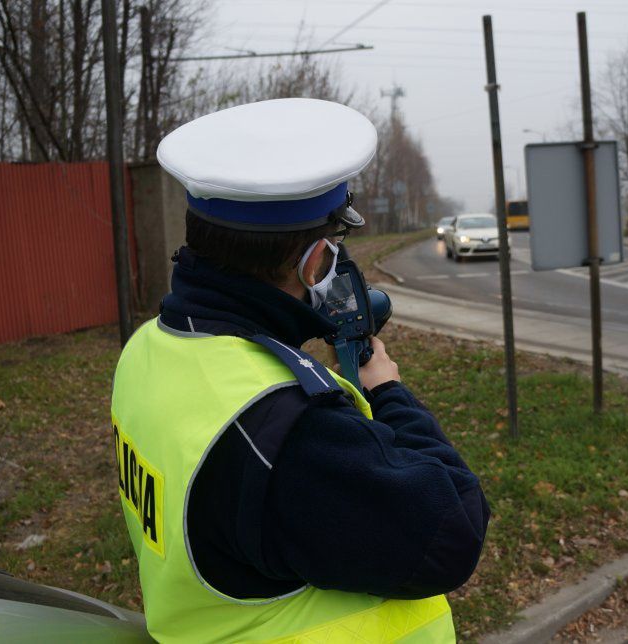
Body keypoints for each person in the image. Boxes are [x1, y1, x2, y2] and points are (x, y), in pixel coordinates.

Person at [111, 98, 489, 643]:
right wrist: (390, 394)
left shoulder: (148, 350)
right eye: (336, 246)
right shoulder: (288, 434)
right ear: (314, 261)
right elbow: (452, 530)